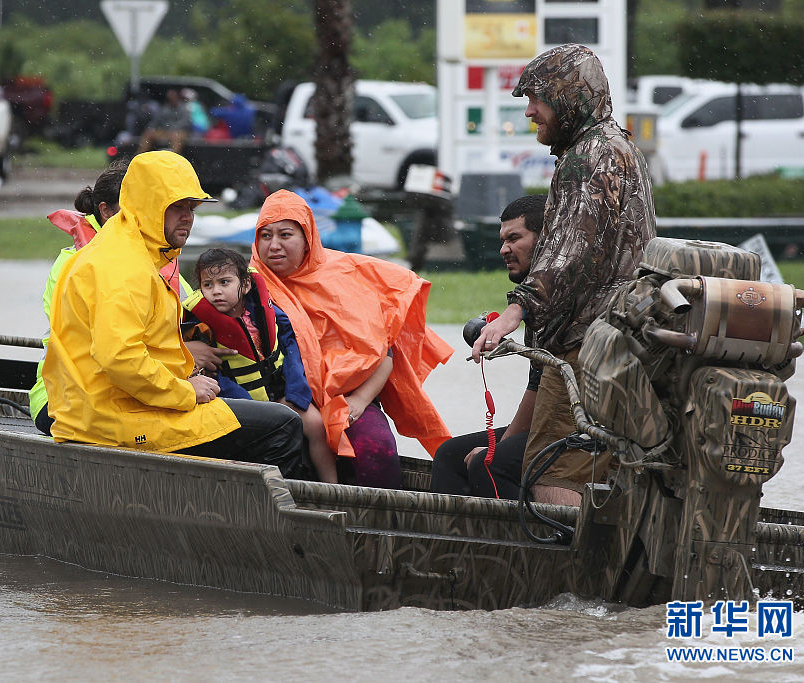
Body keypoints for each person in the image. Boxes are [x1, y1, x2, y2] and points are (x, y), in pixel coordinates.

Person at [42, 151, 310, 479]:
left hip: (123, 406)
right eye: (177, 207)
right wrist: (184, 391)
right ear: (147, 205)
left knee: (265, 420)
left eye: (191, 208)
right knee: (282, 427)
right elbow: (120, 359)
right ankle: (268, 527)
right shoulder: (122, 267)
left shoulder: (132, 251)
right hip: (115, 418)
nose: (187, 218)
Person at [471, 43, 656, 506]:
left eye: (538, 98)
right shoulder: (619, 146)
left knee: (556, 470)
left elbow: (572, 251)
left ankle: (569, 578)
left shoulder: (586, 157)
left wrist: (516, 310)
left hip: (585, 348)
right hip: (623, 342)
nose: (530, 111)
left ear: (571, 96)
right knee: (594, 468)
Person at [252, 189, 453, 489]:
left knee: (376, 450)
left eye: (285, 234)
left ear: (308, 238)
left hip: (351, 398)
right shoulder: (246, 285)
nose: (274, 245)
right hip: (281, 399)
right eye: (265, 236)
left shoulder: (344, 276)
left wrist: (359, 400)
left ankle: (378, 529)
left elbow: (384, 354)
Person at [28, 161, 225, 436]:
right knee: (271, 427)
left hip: (135, 390)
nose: (136, 216)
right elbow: (112, 352)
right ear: (106, 210)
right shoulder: (94, 263)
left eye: (190, 208)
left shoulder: (154, 259)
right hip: (67, 399)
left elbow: (187, 311)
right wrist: (187, 358)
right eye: (133, 207)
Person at [183, 248, 338, 483]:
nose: (216, 292)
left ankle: (331, 488)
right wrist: (255, 408)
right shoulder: (200, 328)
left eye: (225, 282)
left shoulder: (266, 312)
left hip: (283, 395)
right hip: (242, 405)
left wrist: (296, 392)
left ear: (245, 285)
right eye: (208, 285)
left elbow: (290, 349)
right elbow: (212, 376)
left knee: (317, 427)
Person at [430, 194, 545, 499]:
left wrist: (498, 447)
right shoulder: (536, 298)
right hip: (547, 423)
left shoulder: (559, 295)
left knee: (488, 464)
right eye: (502, 239)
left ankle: (514, 548)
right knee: (449, 455)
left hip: (575, 431)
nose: (503, 249)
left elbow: (542, 390)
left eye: (514, 238)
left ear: (547, 239)